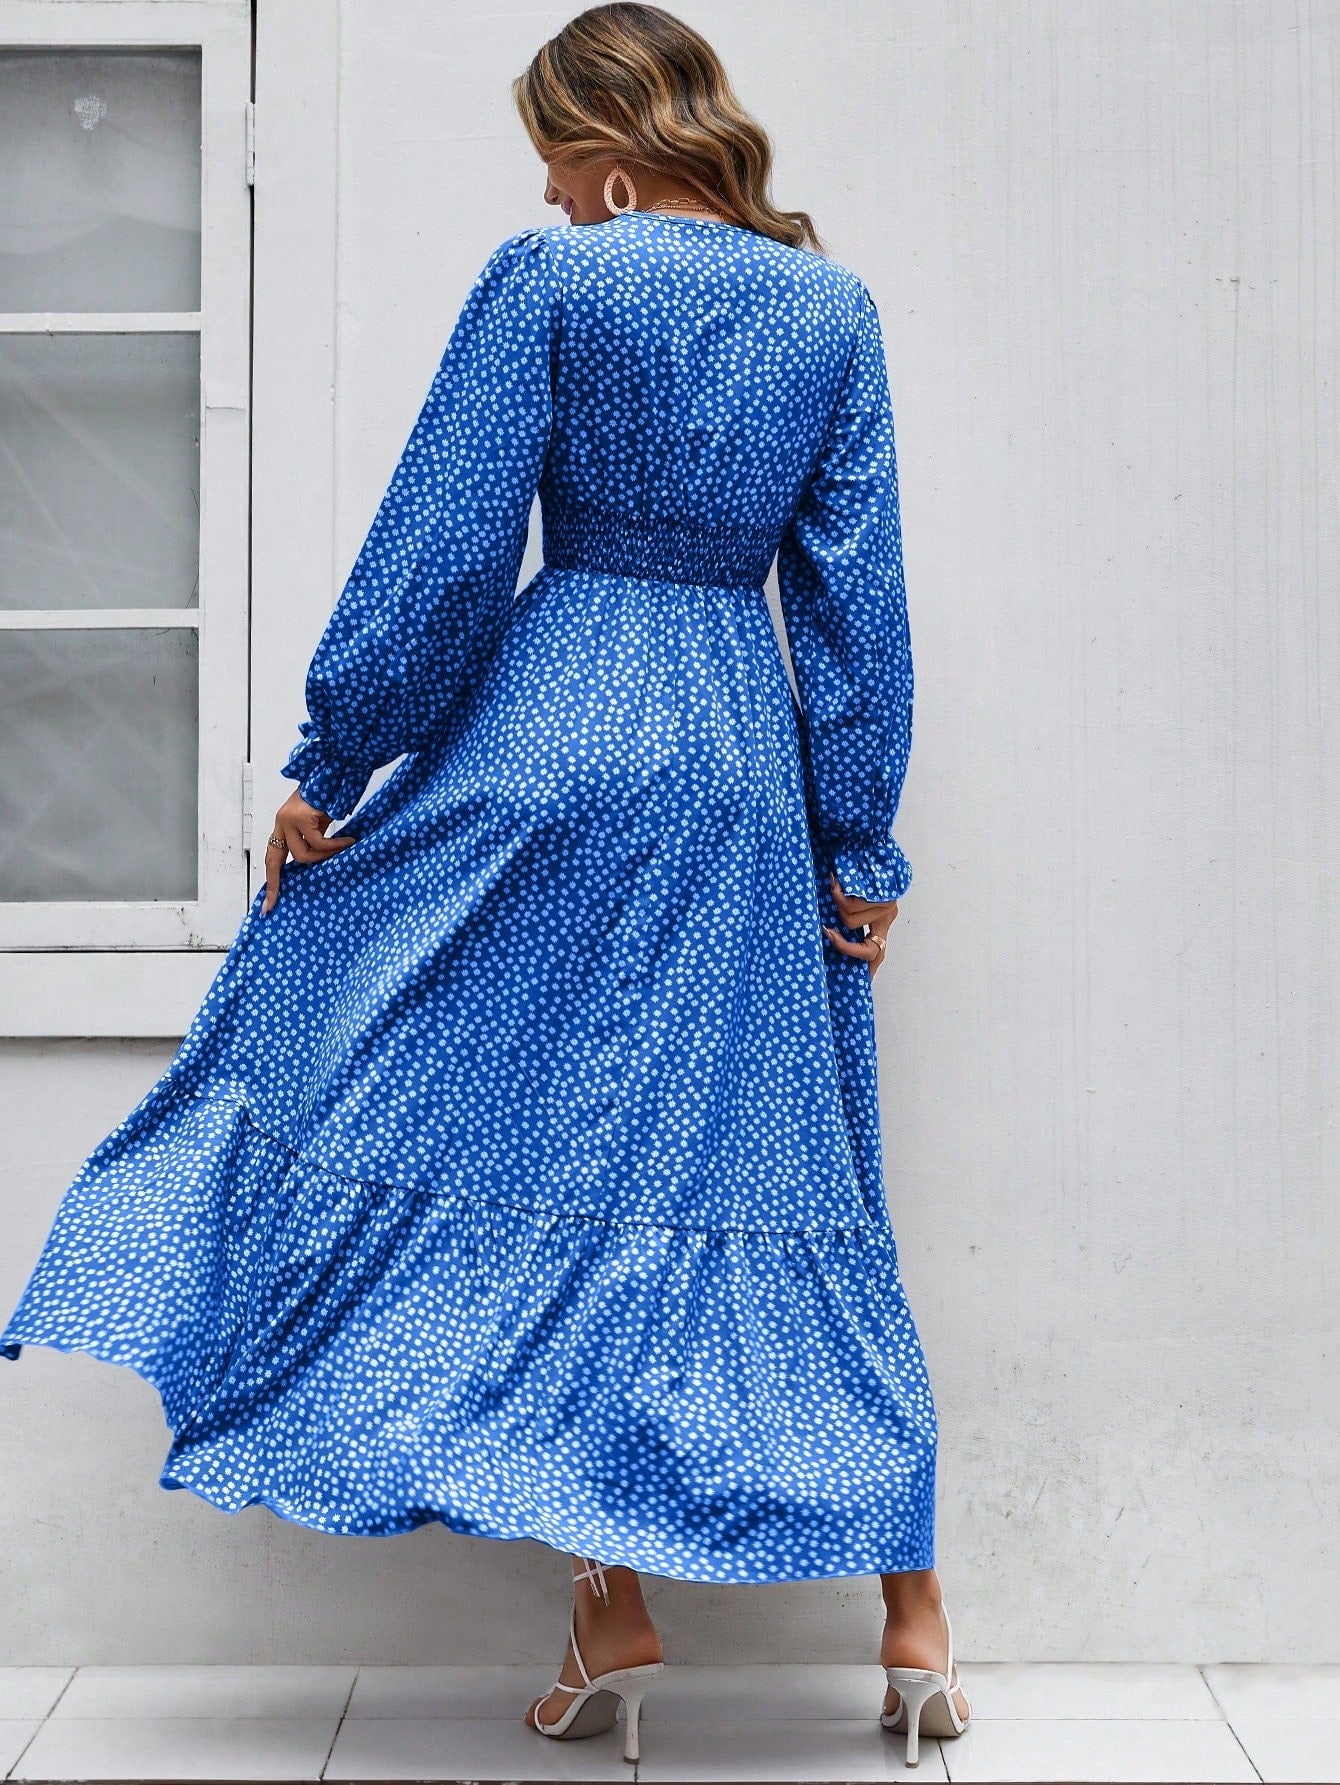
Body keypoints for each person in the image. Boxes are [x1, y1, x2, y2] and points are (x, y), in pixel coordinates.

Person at [0, 0, 970, 1768]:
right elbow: (857, 602)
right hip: (735, 770)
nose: (542, 187)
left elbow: (447, 551)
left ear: (608, 147)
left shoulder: (551, 279)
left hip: (557, 735)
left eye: (551, 152)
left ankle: (615, 1601)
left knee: (506, 1122)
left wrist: (333, 761)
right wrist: (860, 839)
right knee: (786, 1152)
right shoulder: (833, 312)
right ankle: (909, 1623)